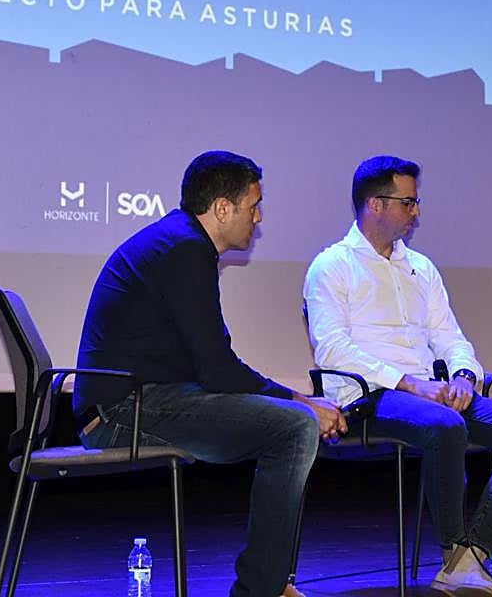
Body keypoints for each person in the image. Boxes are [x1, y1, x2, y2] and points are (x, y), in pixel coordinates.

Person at [73, 150, 345, 597]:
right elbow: (218, 370)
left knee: (290, 421)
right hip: (121, 413)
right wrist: (303, 403)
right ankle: (264, 588)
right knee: (295, 427)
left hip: (143, 401)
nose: (258, 219)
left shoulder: (180, 242)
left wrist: (290, 400)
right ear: (222, 208)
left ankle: (270, 582)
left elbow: (214, 367)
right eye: (253, 206)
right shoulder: (184, 249)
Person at [303, 155, 492, 597]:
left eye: (416, 203)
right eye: (409, 203)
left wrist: (462, 376)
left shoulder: (421, 267)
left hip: (428, 393)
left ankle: (472, 555)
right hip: (371, 397)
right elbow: (332, 348)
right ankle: (452, 555)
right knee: (445, 426)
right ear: (374, 205)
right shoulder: (332, 266)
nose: (416, 212)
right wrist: (411, 383)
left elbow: (450, 336)